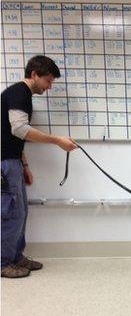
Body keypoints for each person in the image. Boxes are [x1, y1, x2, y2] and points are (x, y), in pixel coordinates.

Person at [1, 55, 78, 278]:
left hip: (11, 161)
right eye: (48, 80)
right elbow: (20, 129)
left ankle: (16, 257)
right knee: (11, 214)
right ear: (34, 74)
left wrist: (24, 165)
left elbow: (12, 135)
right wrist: (57, 140)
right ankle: (3, 262)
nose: (49, 86)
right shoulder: (18, 93)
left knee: (21, 211)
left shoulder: (22, 95)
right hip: (4, 163)